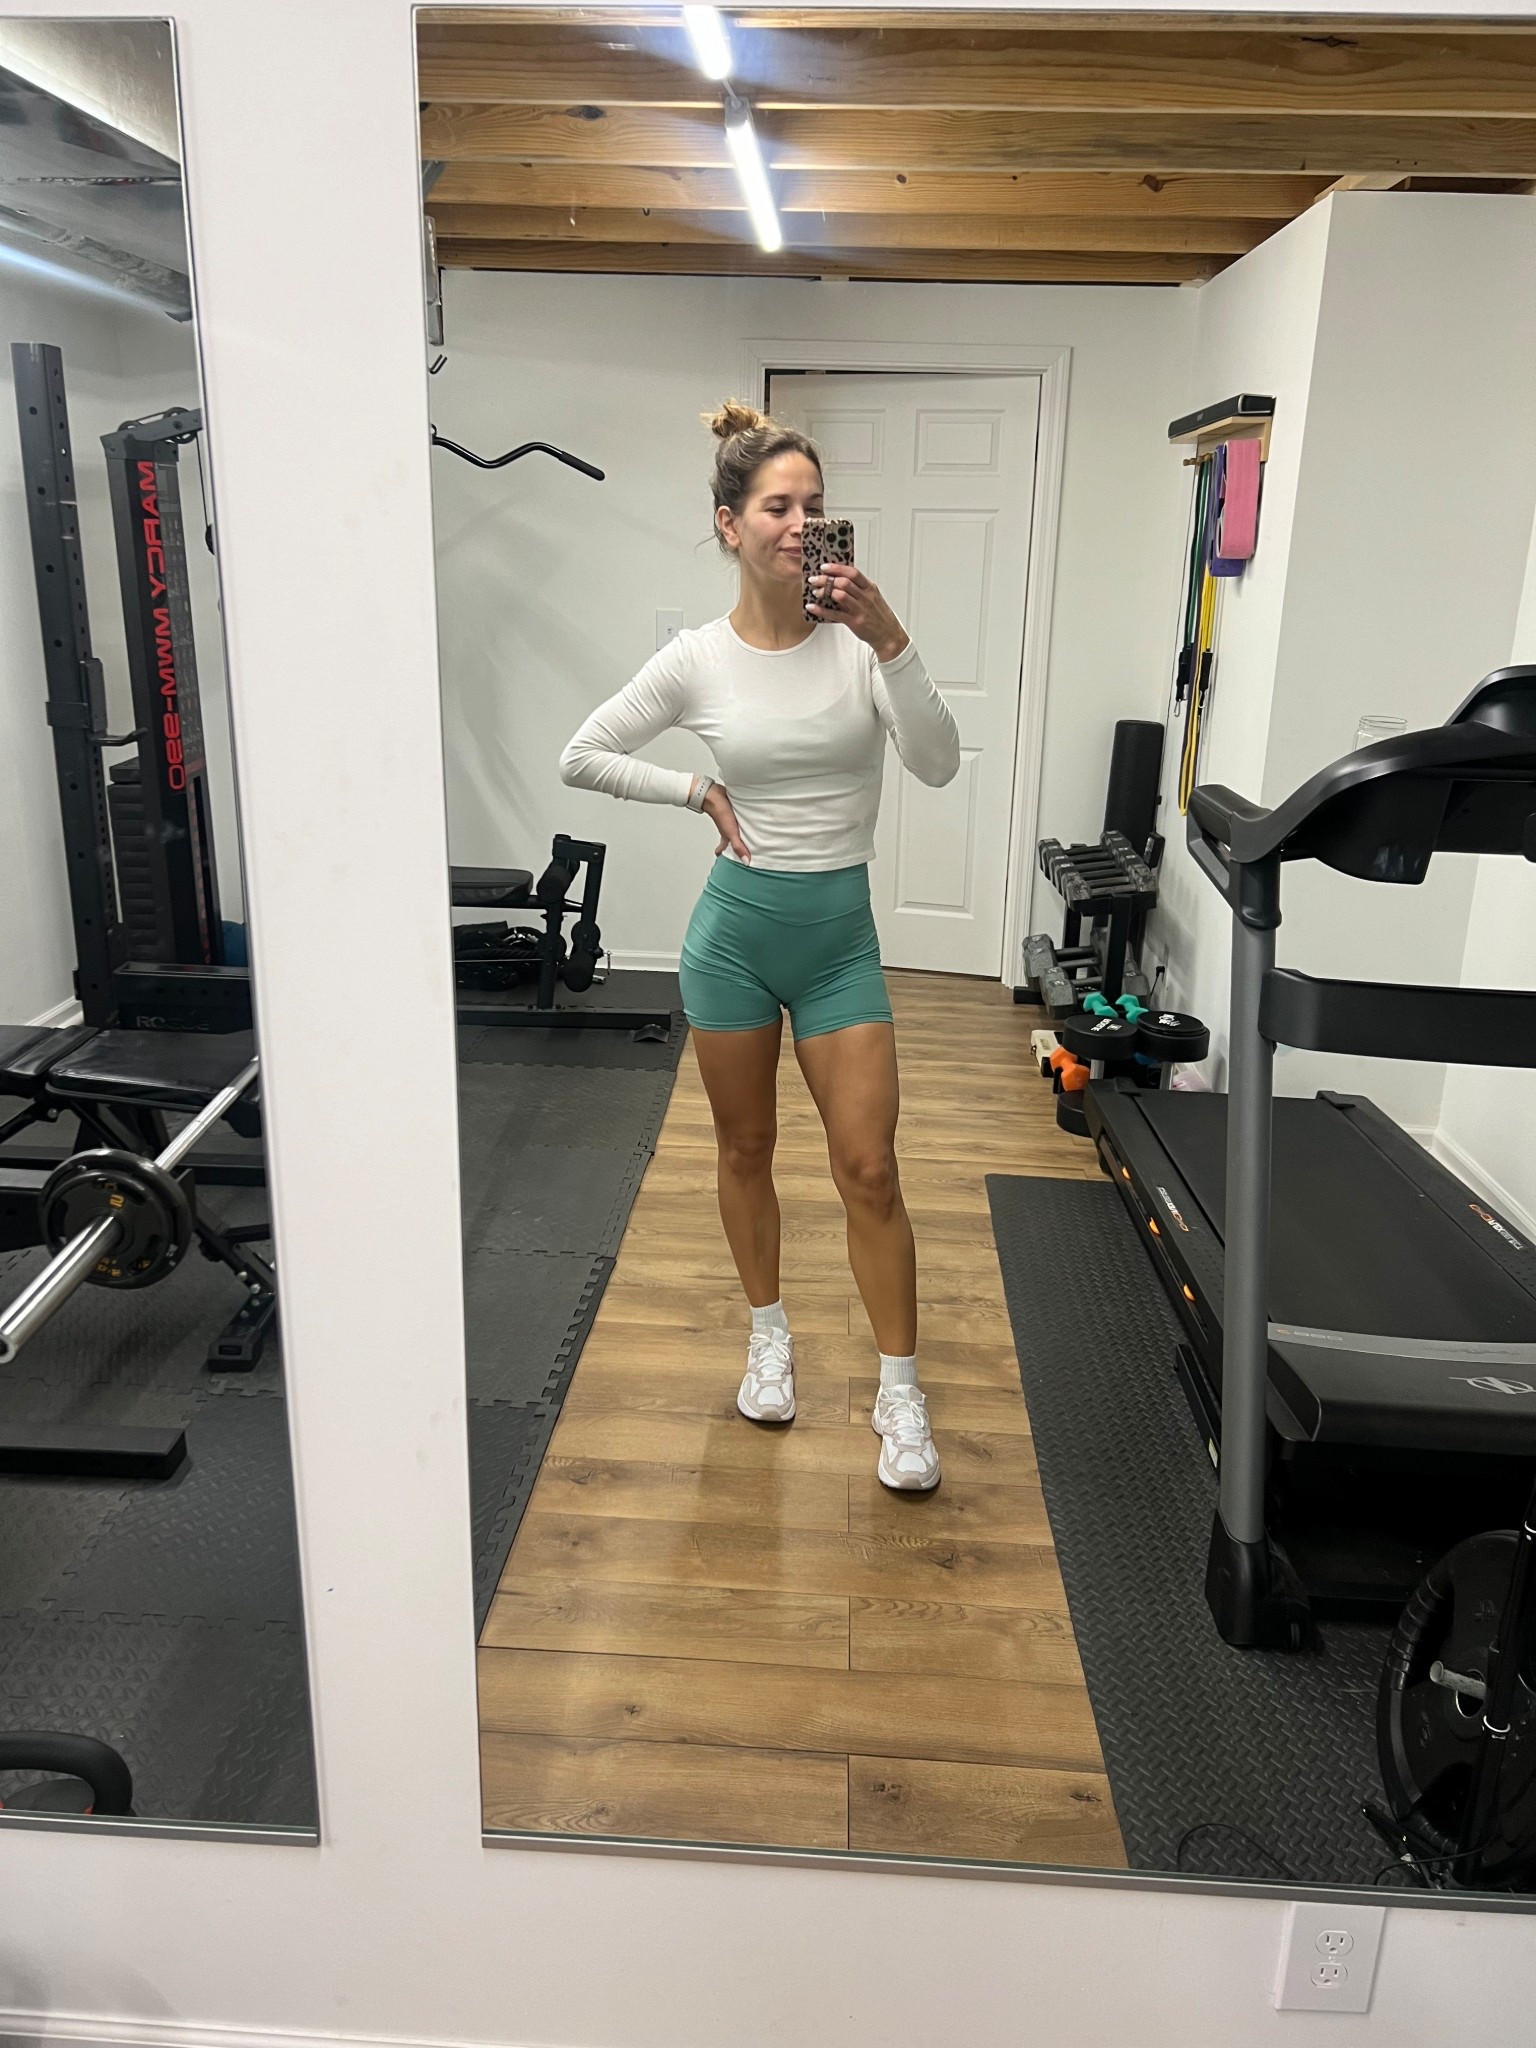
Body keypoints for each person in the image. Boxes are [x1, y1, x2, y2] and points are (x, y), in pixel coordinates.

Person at [559, 400, 959, 1491]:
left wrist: (892, 638)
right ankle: (768, 1336)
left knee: (870, 1167)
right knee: (745, 1152)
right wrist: (695, 790)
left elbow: (937, 763)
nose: (800, 524)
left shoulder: (862, 647)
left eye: (814, 506)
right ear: (729, 525)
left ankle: (900, 1392)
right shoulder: (697, 659)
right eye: (778, 506)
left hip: (839, 945)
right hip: (733, 941)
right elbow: (583, 753)